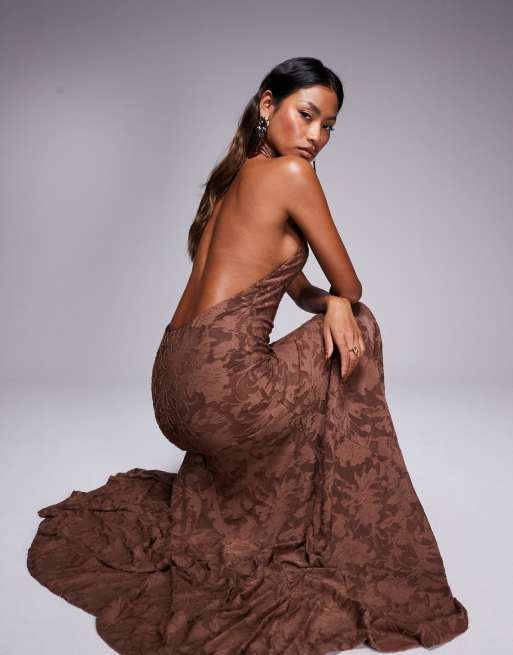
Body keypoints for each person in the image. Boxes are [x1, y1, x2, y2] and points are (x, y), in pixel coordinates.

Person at [27, 57, 469, 654]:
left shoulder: (235, 180)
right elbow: (350, 284)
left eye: (328, 126)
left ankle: (301, 502)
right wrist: (344, 304)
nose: (315, 136)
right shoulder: (291, 174)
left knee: (342, 321)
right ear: (267, 105)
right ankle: (350, 518)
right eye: (306, 115)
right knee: (362, 321)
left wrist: (330, 305)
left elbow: (302, 291)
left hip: (172, 387)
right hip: (221, 394)